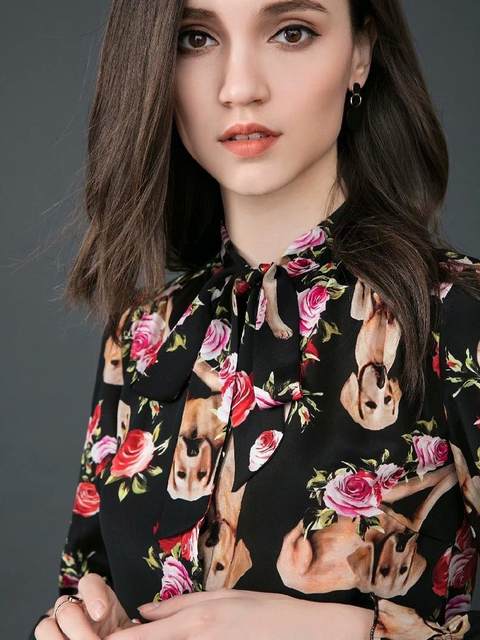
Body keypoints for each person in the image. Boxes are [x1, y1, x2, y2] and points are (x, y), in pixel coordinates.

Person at [30, 0, 480, 639]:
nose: (239, 87)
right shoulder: (141, 337)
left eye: (291, 32)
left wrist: (342, 633)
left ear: (360, 53)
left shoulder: (456, 315)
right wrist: (84, 626)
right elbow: (84, 587)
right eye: (195, 38)